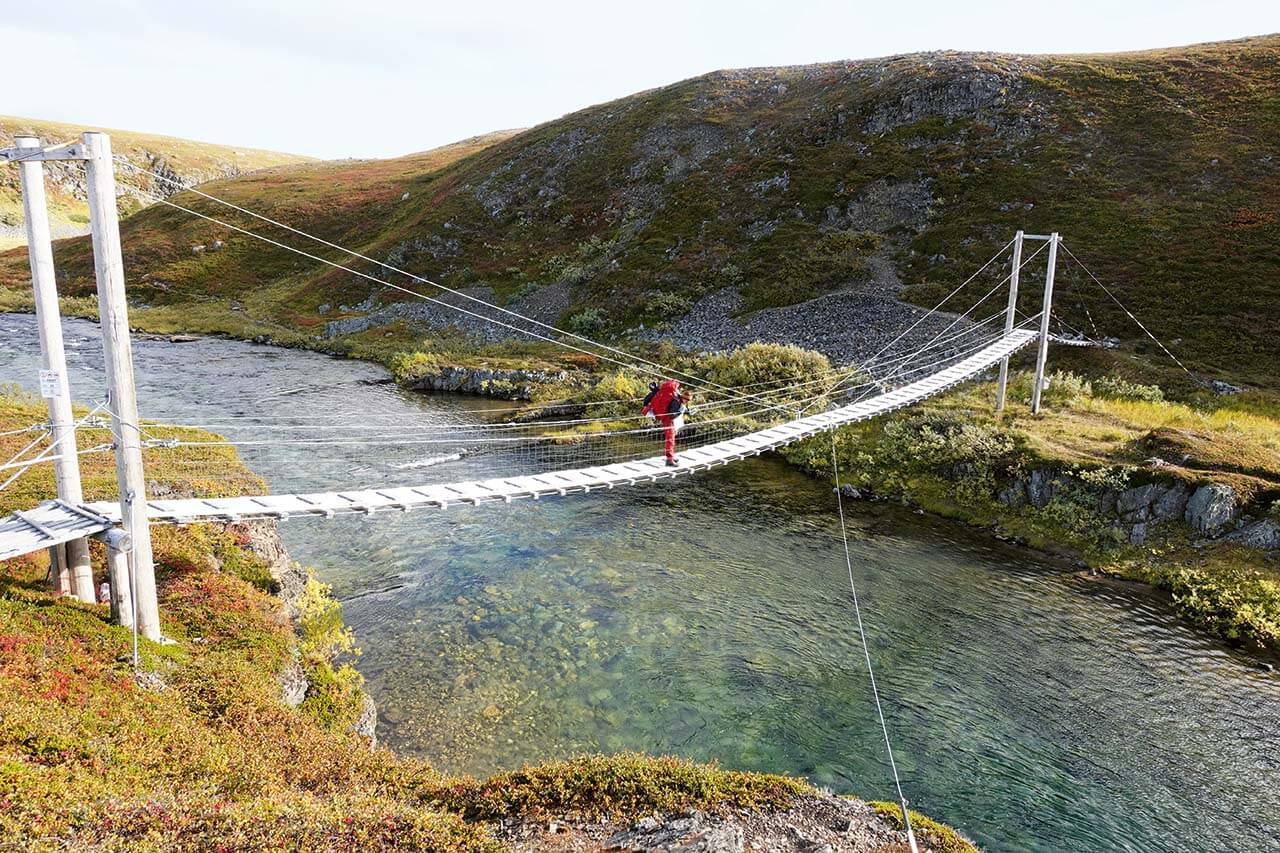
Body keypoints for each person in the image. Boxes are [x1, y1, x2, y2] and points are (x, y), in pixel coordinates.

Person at [641, 379, 691, 466]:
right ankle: (669, 459)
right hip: (667, 419)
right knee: (670, 439)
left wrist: (685, 410)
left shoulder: (675, 395)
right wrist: (680, 411)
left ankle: (671, 456)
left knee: (671, 438)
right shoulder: (677, 401)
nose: (687, 402)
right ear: (684, 398)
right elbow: (672, 415)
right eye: (687, 400)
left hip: (664, 416)